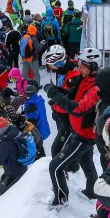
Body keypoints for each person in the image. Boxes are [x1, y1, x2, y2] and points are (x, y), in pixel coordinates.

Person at [44, 50, 101, 208]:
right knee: (86, 162)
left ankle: (61, 199)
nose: (79, 68)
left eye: (83, 66)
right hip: (81, 131)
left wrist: (54, 93)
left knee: (54, 166)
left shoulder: (95, 88)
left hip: (84, 136)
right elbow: (71, 95)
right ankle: (92, 191)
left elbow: (77, 108)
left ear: (93, 67)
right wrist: (57, 92)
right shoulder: (84, 78)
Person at [0, 116, 34, 196]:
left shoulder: (6, 143)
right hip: (21, 168)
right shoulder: (15, 132)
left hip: (14, 174)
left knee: (1, 193)